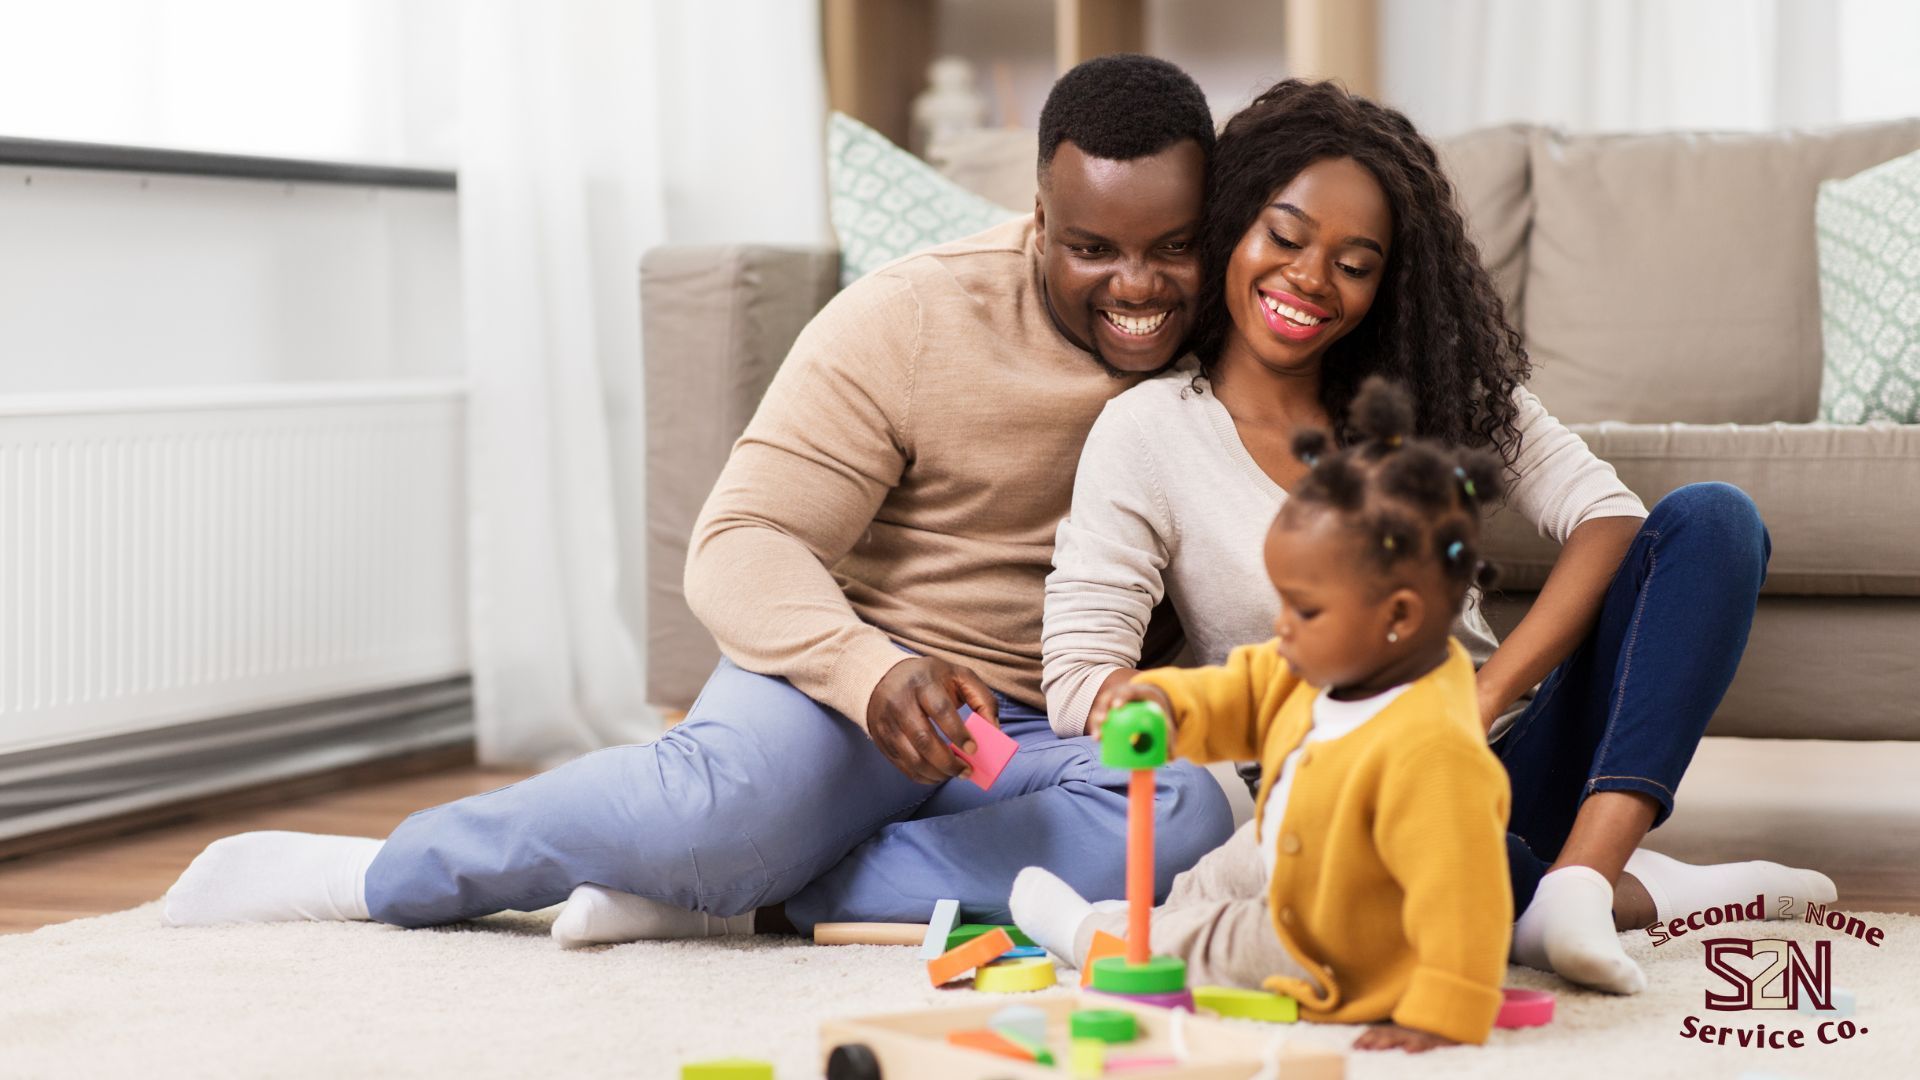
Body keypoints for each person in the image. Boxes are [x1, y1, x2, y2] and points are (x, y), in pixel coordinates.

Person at [159, 55, 1235, 941]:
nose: (1138, 288)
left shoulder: (1245, 336)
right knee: (717, 811)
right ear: (1039, 219)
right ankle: (378, 873)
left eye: (1171, 249)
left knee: (1183, 817)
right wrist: (871, 673)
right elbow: (741, 538)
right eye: (1094, 250)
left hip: (1039, 738)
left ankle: (740, 894)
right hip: (853, 687)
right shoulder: (913, 317)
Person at [1039, 79, 1835, 996]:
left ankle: (1582, 879)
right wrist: (1173, 717)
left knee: (1714, 522)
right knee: (1375, 881)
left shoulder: (1423, 386)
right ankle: (1628, 893)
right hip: (1343, 801)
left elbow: (1608, 517)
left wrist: (1488, 692)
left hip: (1503, 759)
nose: (1308, 278)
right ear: (1231, 224)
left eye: (1356, 261)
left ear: (1388, 281)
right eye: (1286, 237)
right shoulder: (1150, 432)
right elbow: (1077, 677)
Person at [1018, 379, 1515, 1052]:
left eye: (1304, 610)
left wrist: (1444, 1008)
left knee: (1208, 940)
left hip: (1329, 947)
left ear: (1399, 615)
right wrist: (1169, 702)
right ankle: (1151, 914)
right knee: (1212, 876)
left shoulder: (1434, 749)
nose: (1281, 626)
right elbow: (1240, 694)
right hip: (1299, 847)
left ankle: (1095, 938)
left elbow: (1466, 895)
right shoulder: (1317, 668)